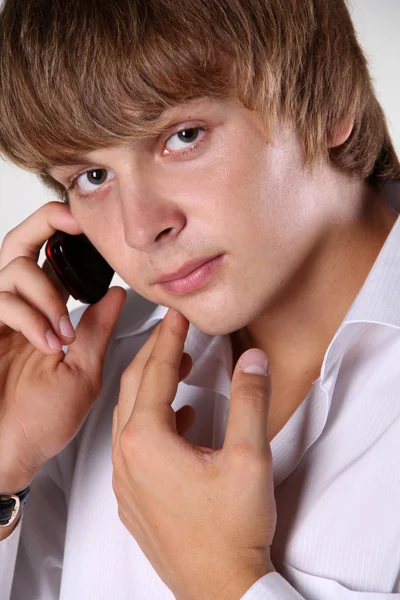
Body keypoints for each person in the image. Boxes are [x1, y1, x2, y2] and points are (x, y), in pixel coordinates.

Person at [0, 0, 399, 597]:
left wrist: (221, 579)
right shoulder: (68, 383)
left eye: (183, 137)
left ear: (329, 104)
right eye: (91, 176)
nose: (140, 231)